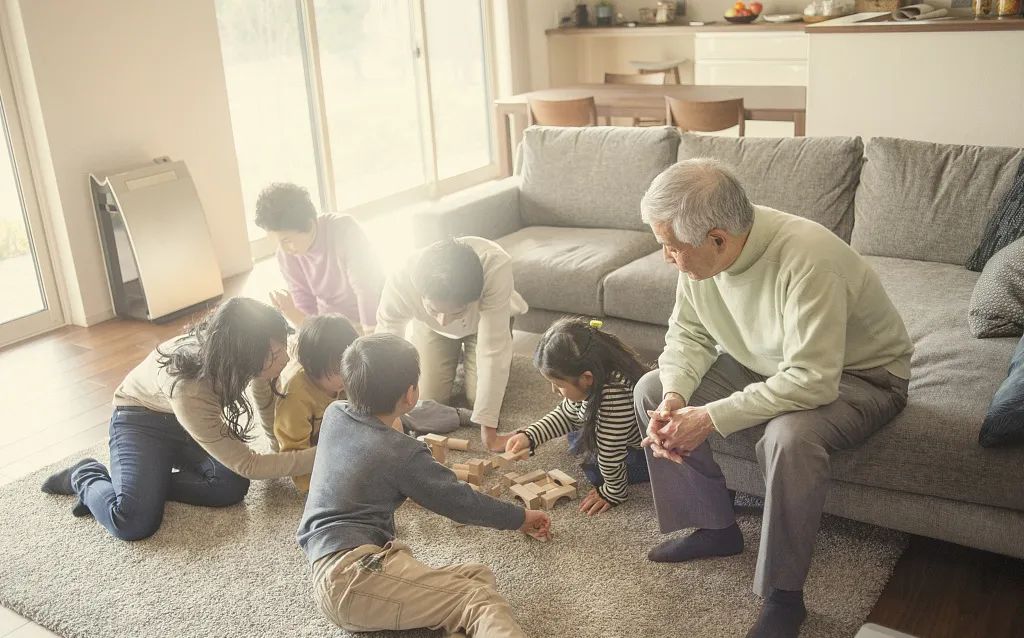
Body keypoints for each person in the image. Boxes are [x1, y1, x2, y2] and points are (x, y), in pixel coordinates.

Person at [635, 159, 914, 638]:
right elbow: (688, 334)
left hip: (860, 375)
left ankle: (784, 595)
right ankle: (716, 528)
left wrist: (712, 416)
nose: (666, 258)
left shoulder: (809, 258)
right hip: (770, 362)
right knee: (652, 389)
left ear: (718, 239)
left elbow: (813, 379)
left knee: (788, 437)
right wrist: (678, 396)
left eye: (670, 248)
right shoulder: (702, 255)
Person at [297, 333, 550, 636]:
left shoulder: (334, 413)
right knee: (479, 600)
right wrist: (520, 518)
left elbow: (388, 429)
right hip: (354, 578)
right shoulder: (400, 454)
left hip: (339, 576)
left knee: (477, 576)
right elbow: (460, 503)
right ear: (410, 394)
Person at [40, 298, 316, 541]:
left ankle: (143, 486)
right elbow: (249, 463)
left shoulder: (238, 351)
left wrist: (279, 446)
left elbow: (263, 391)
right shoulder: (190, 387)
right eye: (277, 355)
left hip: (186, 423)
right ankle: (85, 475)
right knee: (133, 521)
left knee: (230, 486)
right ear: (245, 355)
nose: (285, 359)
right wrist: (321, 452)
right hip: (140, 420)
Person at [269, 314, 474, 491]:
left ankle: (456, 415)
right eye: (339, 371)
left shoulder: (350, 373)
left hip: (362, 426)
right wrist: (320, 483)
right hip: (333, 453)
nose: (348, 375)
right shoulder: (295, 399)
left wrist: (390, 424)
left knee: (407, 406)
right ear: (315, 367)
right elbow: (293, 457)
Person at [376, 237, 528, 451]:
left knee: (480, 404)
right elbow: (385, 345)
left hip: (483, 325)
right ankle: (453, 355)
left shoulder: (495, 266)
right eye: (434, 309)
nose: (444, 321)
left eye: (455, 311)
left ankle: (465, 356)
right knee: (425, 399)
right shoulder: (401, 278)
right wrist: (384, 410)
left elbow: (493, 348)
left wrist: (489, 433)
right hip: (429, 328)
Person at [504, 317, 650, 516]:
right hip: (614, 432)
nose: (554, 390)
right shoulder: (592, 377)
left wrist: (613, 492)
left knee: (596, 470)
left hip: (648, 454)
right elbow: (566, 413)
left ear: (587, 378)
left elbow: (610, 452)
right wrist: (531, 435)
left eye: (559, 385)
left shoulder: (614, 398)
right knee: (578, 434)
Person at [254, 182, 383, 333]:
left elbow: (366, 290)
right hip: (332, 326)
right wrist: (293, 313)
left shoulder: (344, 230)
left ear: (308, 225)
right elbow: (306, 307)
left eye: (286, 240)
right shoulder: (285, 255)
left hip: (371, 317)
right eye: (276, 242)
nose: (283, 249)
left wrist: (370, 336)